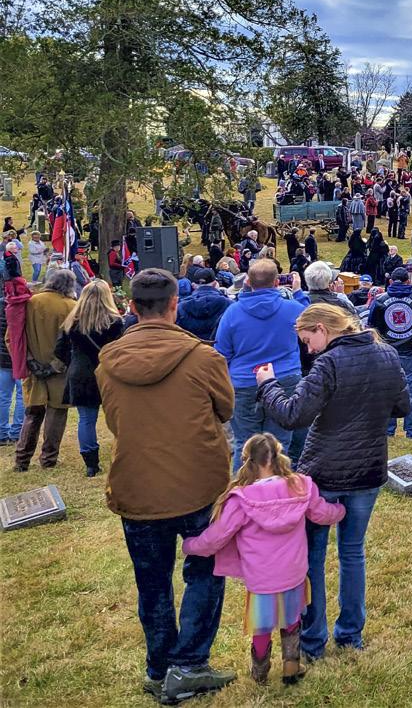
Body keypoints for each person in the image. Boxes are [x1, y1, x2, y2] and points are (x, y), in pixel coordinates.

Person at [96, 268, 237, 702]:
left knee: (152, 583)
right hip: (199, 483)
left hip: (137, 484)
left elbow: (117, 419)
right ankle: (188, 664)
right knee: (206, 572)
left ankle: (161, 668)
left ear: (132, 307)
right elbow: (226, 409)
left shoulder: (109, 362)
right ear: (175, 305)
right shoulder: (204, 358)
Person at [256, 304, 410, 660]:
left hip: (325, 471)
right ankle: (350, 634)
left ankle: (313, 640)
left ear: (323, 329)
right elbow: (403, 405)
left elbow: (293, 414)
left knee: (313, 556)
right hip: (368, 467)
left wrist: (268, 386)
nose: (308, 349)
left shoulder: (329, 363)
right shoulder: (386, 354)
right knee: (352, 552)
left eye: (307, 340)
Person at [182, 433, 345, 687]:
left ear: (247, 460)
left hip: (261, 578)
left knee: (262, 626)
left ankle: (260, 672)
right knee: (292, 619)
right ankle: (291, 666)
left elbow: (216, 537)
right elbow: (322, 513)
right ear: (278, 456)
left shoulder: (242, 498)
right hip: (294, 572)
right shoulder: (300, 486)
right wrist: (341, 510)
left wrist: (190, 545)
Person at [214, 261, 305, 470]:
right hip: (284, 379)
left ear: (248, 282)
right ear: (277, 282)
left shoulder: (232, 313)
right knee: (279, 444)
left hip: (245, 382)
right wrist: (299, 293)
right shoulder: (293, 309)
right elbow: (313, 321)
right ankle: (278, 486)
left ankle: (244, 488)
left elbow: (222, 353)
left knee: (245, 445)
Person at [54, 278, 125, 477]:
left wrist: (74, 362)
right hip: (109, 373)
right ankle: (123, 454)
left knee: (86, 419)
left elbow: (59, 350)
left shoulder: (72, 322)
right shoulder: (115, 322)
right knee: (119, 417)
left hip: (81, 373)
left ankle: (91, 464)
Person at [14, 267, 77, 471]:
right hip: (60, 371)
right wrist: (54, 366)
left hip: (33, 369)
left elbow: (13, 337)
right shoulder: (71, 306)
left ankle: (22, 460)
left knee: (32, 413)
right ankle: (49, 459)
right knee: (56, 414)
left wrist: (30, 361)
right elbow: (74, 342)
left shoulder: (30, 303)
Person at [369, 267, 412, 439]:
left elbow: (372, 324)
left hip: (388, 352)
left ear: (390, 281)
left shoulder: (380, 300)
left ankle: (388, 430)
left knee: (388, 390)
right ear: (408, 281)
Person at [0, 274, 25, 445]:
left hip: (2, 357)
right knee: (22, 396)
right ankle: (17, 431)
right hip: (19, 355)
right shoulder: (25, 306)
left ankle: (2, 432)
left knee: (3, 396)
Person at [176, 267, 231, 341]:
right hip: (218, 347)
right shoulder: (229, 305)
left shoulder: (180, 307)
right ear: (215, 284)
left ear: (193, 285)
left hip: (192, 346)